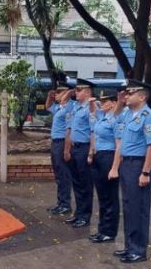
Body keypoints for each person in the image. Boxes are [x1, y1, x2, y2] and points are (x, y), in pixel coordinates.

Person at [111, 79, 151, 264]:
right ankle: (130, 246)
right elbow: (115, 117)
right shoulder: (129, 114)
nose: (127, 95)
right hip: (127, 165)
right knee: (129, 208)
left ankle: (139, 250)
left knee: (139, 210)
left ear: (142, 96)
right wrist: (121, 101)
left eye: (130, 93)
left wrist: (145, 172)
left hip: (139, 165)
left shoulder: (148, 116)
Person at [87, 87, 121, 243]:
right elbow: (93, 110)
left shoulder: (115, 119)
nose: (103, 103)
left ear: (114, 103)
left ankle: (109, 231)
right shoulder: (102, 116)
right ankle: (102, 229)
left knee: (110, 197)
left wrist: (114, 167)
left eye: (106, 101)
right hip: (99, 156)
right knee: (102, 196)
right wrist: (92, 153)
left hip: (109, 157)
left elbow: (118, 145)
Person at [63, 78, 95, 228]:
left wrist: (90, 152)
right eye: (75, 90)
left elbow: (93, 132)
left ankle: (85, 216)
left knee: (85, 184)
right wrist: (68, 149)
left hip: (84, 148)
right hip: (75, 148)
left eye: (78, 90)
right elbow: (70, 129)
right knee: (76, 182)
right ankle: (78, 213)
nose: (76, 92)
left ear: (87, 92)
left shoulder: (91, 107)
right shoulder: (76, 107)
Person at [45, 79, 75, 217]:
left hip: (62, 142)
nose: (55, 94)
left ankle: (65, 204)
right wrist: (49, 97)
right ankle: (60, 203)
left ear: (66, 93)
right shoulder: (60, 108)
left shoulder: (70, 107)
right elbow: (48, 107)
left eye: (59, 92)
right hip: (55, 142)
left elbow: (69, 130)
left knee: (64, 175)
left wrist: (66, 149)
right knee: (58, 174)